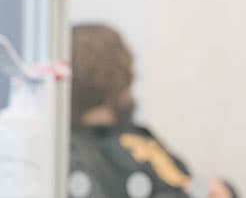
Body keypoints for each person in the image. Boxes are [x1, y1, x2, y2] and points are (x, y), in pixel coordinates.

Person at [68, 23, 237, 198]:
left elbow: (182, 181)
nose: (132, 73)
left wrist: (221, 190)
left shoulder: (137, 134)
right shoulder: (77, 151)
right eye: (123, 65)